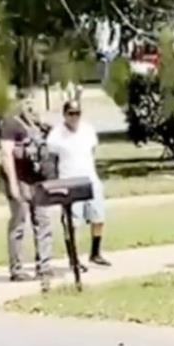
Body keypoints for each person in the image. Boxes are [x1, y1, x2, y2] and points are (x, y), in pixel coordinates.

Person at [47, 99, 111, 268]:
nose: (74, 117)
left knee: (99, 216)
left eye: (77, 113)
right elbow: (51, 160)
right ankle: (73, 258)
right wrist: (56, 183)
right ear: (64, 115)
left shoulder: (88, 130)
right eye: (71, 113)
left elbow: (92, 152)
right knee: (72, 222)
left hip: (90, 179)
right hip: (69, 181)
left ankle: (95, 253)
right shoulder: (56, 134)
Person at [0, 97, 53, 285]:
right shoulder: (10, 124)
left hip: (38, 180)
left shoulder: (41, 126)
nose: (31, 106)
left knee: (43, 221)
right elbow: (6, 155)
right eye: (27, 102)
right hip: (19, 179)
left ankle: (44, 267)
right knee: (19, 223)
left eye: (33, 102)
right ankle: (17, 269)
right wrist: (13, 184)